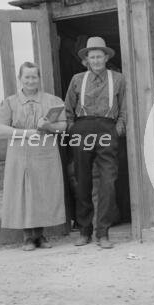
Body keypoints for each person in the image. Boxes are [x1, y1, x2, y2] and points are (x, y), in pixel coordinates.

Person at [64, 36, 126, 249]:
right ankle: (84, 231)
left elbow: (124, 109)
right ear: (87, 60)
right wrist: (73, 129)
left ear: (106, 57)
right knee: (83, 180)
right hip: (82, 129)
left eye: (100, 56)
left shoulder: (118, 78)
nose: (97, 60)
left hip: (107, 129)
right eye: (93, 56)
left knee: (108, 181)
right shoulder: (77, 79)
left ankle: (103, 232)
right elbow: (67, 110)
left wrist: (117, 130)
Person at [0, 62, 67, 251]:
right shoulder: (10, 102)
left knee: (42, 191)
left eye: (34, 77)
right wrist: (26, 133)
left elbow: (63, 126)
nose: (30, 81)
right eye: (26, 77)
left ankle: (40, 236)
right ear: (20, 79)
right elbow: (2, 129)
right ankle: (27, 237)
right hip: (19, 152)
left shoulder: (53, 100)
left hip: (45, 152)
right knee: (23, 191)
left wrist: (49, 127)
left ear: (39, 79)